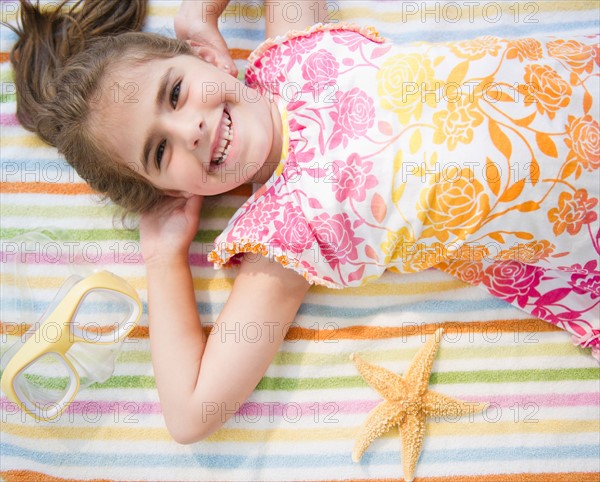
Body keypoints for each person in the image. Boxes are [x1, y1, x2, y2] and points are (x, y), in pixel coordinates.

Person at [5, 0, 599, 444]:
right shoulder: (283, 239)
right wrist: (163, 257)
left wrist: (198, 14)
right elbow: (190, 414)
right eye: (160, 153)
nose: (190, 130)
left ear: (202, 58)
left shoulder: (296, 46)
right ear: (164, 191)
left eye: (177, 91)